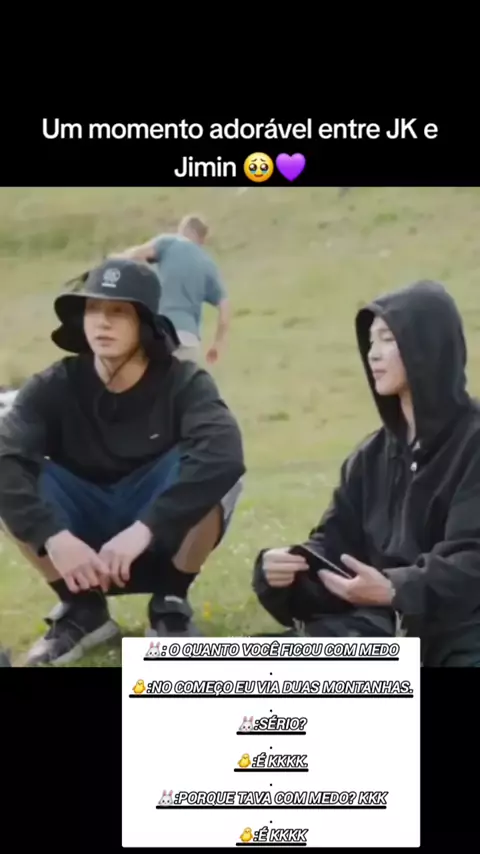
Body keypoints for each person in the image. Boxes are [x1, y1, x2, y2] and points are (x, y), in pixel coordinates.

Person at [0, 258, 245, 666]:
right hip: (77, 538)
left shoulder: (184, 382)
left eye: (118, 311)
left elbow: (224, 454)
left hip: (159, 532)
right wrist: (53, 536)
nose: (102, 322)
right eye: (93, 309)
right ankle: (82, 610)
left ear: (146, 324)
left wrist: (146, 528)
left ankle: (170, 606)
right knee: (10, 474)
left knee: (216, 471)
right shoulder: (53, 385)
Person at [252, 280, 480, 666]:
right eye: (371, 342)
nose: (373, 353)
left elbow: (472, 560)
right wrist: (286, 569)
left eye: (388, 339)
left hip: (462, 637)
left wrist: (395, 588)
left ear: (426, 345)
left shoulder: (473, 443)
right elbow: (335, 545)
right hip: (380, 634)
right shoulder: (370, 456)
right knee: (209, 678)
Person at [111, 214, 230, 365]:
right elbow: (225, 309)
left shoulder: (170, 242)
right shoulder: (208, 264)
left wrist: (114, 258)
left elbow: (134, 256)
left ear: (183, 229)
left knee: (151, 378)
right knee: (183, 381)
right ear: (202, 239)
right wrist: (217, 344)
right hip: (189, 339)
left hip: (162, 332)